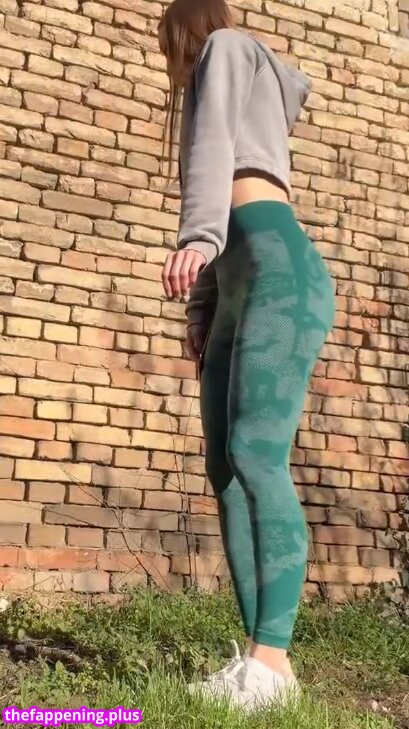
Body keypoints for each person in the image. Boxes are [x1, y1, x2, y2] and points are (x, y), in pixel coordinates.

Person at [158, 0, 335, 712]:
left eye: (169, 45)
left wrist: (197, 236)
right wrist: (202, 311)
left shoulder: (226, 47)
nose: (171, 62)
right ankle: (262, 669)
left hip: (279, 272)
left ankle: (272, 662)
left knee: (258, 455)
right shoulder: (224, 69)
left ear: (184, 30)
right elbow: (216, 183)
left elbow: (213, 162)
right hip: (235, 284)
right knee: (225, 469)